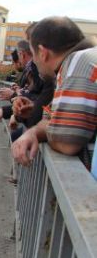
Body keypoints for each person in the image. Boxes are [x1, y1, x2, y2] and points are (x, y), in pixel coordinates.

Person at [12, 17, 97, 169]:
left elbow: (67, 141)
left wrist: (36, 131)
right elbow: (51, 118)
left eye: (34, 54)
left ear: (43, 53)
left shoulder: (78, 65)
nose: (34, 62)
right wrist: (38, 112)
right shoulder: (77, 63)